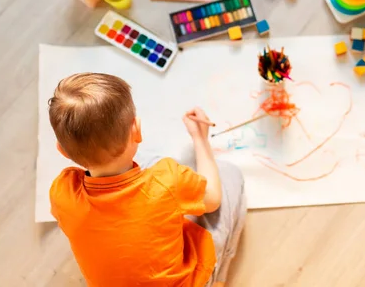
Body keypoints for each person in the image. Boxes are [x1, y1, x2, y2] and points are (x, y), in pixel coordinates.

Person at [48, 73, 246, 286]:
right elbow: (213, 199)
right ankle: (217, 277)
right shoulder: (167, 179)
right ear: (137, 130)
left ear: (62, 151)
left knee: (144, 162)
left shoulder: (62, 191)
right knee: (230, 175)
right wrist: (201, 139)